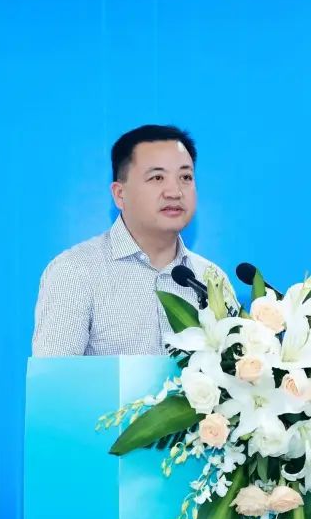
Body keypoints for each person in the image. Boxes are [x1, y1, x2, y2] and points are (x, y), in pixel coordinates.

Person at [32, 124, 231, 356]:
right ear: (120, 194)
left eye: (185, 177)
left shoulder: (210, 278)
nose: (174, 192)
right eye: (157, 177)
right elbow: (55, 377)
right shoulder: (76, 272)